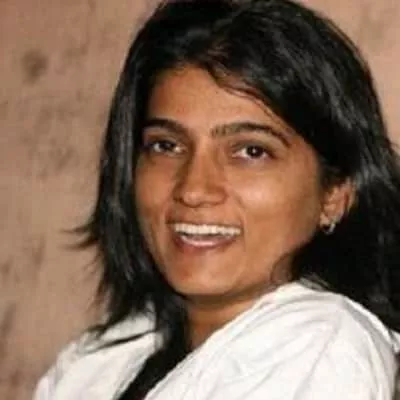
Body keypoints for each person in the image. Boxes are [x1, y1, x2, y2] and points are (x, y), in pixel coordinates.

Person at [34, 0, 400, 399]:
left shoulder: (323, 347)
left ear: (335, 193)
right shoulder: (101, 358)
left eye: (251, 151)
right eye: (166, 145)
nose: (193, 189)